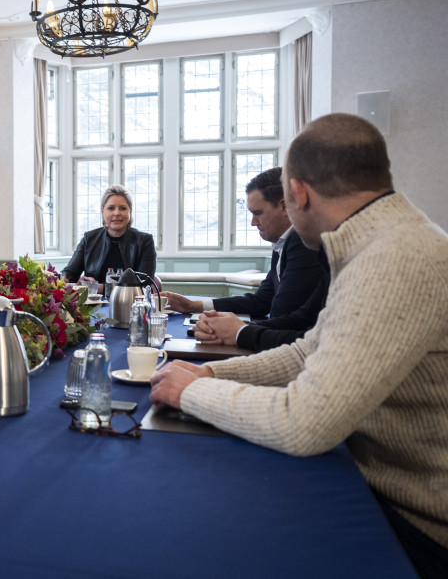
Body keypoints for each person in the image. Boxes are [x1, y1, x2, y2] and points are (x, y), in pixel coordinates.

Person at [149, 113, 448, 578]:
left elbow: (304, 424)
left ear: (299, 194)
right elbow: (308, 351)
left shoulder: (395, 258)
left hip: (418, 528)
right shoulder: (382, 243)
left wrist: (188, 392)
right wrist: (211, 373)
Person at [161, 167, 323, 319]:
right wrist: (193, 305)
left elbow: (283, 317)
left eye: (257, 213)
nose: (253, 223)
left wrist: (236, 331)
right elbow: (262, 301)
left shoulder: (304, 243)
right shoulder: (282, 242)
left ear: (284, 207)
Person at [193, 251, 330, 352]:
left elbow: (316, 344)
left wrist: (241, 332)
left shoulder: (304, 248)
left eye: (258, 213)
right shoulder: (282, 247)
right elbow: (301, 319)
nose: (253, 223)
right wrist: (236, 329)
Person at [62, 185, 156, 290]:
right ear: (103, 211)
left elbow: (144, 282)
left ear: (130, 211)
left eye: (123, 208)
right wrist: (63, 279)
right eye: (111, 208)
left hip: (130, 304)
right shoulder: (89, 238)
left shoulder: (145, 241)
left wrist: (99, 288)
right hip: (93, 304)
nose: (116, 213)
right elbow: (71, 272)